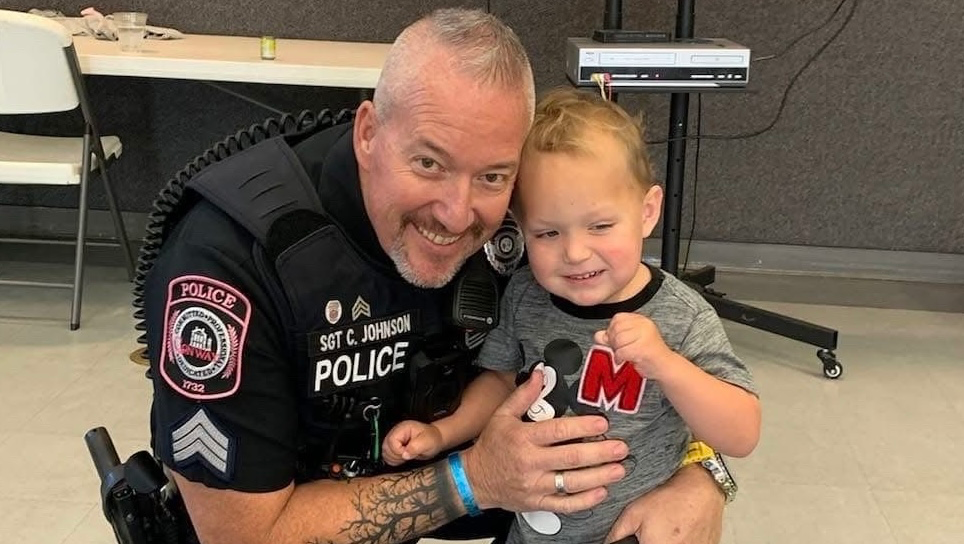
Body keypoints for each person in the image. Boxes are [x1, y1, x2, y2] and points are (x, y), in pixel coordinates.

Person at [144, 8, 729, 544]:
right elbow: (243, 536)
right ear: (368, 133)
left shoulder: (538, 221)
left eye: (493, 177)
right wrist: (475, 480)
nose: (456, 214)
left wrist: (703, 474)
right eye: (429, 163)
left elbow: (659, 346)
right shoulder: (230, 262)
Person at [382, 88, 761, 544]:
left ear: (647, 212)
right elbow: (501, 385)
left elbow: (742, 433)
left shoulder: (683, 317)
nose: (576, 253)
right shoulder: (526, 295)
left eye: (600, 226)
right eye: (548, 233)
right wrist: (441, 434)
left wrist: (666, 365)